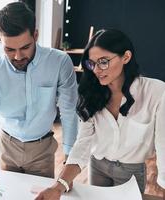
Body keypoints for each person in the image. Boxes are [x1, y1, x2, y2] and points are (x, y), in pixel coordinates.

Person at [35, 29, 165, 200]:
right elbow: (83, 143)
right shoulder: (91, 94)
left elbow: (163, 144)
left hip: (131, 172)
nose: (96, 70)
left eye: (103, 62)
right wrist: (59, 186)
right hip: (97, 166)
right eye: (92, 63)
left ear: (126, 57)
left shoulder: (156, 92)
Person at [0, 2, 78, 200]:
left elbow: (69, 112)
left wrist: (68, 162)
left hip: (42, 148)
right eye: (9, 49)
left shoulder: (60, 62)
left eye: (25, 47)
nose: (18, 56)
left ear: (35, 35)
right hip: (6, 145)